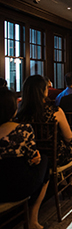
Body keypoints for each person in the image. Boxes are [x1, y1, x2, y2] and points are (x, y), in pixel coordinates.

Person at [0, 88, 49, 229]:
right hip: (18, 187)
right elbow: (34, 158)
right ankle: (33, 219)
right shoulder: (23, 129)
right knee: (45, 161)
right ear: (12, 108)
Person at [17, 75, 72, 172]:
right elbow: (69, 136)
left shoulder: (20, 113)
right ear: (44, 91)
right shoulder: (54, 111)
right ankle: (69, 185)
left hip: (28, 156)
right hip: (53, 156)